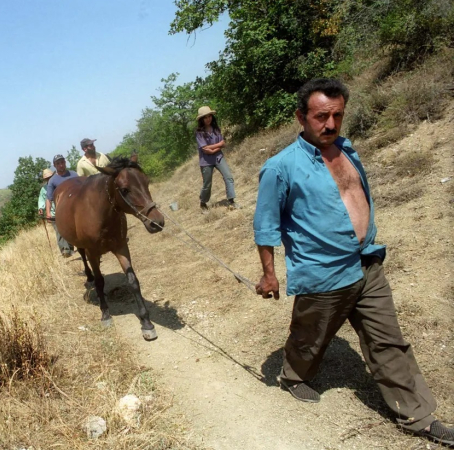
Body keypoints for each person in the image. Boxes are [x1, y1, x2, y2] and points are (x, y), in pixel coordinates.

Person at [253, 78, 454, 447]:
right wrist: (269, 275)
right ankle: (294, 375)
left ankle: (418, 416)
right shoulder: (280, 167)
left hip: (366, 263)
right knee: (310, 337)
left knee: (388, 341)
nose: (330, 124)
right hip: (322, 272)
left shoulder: (347, 150)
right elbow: (265, 226)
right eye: (320, 116)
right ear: (301, 117)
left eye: (337, 115)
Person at [195, 106, 239, 211]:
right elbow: (206, 150)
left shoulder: (216, 129)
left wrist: (211, 148)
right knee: (207, 183)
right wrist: (217, 146)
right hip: (206, 161)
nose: (208, 119)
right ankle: (203, 203)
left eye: (209, 116)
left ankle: (231, 200)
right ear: (201, 119)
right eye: (205, 117)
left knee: (228, 177)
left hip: (218, 158)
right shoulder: (199, 133)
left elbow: (223, 143)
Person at [46, 154, 77, 257]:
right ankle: (66, 249)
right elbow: (49, 198)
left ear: (65, 162)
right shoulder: (52, 181)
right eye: (58, 163)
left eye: (62, 162)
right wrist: (48, 213)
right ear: (55, 165)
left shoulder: (74, 175)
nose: (61, 165)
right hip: (63, 210)